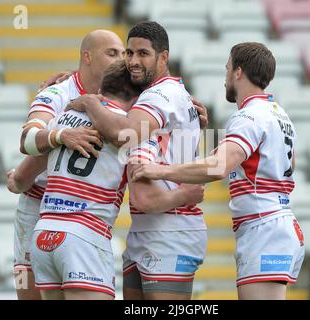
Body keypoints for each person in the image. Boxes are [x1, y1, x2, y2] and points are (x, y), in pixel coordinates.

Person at [13, 60, 205, 300]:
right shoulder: (131, 134)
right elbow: (144, 198)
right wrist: (184, 195)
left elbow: (20, 179)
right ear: (141, 100)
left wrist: (13, 179)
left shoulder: (65, 117)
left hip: (44, 234)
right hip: (86, 237)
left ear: (102, 89)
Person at [130, 42, 306, 300]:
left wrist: (160, 171)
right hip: (276, 223)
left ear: (238, 72)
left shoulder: (248, 116)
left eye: (227, 69)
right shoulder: (279, 114)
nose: (225, 78)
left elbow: (217, 167)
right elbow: (288, 166)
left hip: (264, 227)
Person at [66, 21, 207, 300]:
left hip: (171, 230)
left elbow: (124, 133)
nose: (132, 61)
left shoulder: (159, 95)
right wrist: (67, 79)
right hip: (146, 230)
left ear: (163, 57)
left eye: (143, 54)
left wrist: (90, 102)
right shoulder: (163, 93)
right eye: (128, 53)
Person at [6, 29, 125, 300]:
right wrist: (61, 136)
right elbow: (27, 139)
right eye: (112, 53)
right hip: (38, 206)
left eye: (122, 53)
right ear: (87, 57)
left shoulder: (122, 98)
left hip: (84, 215)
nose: (121, 60)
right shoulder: (59, 93)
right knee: (30, 294)